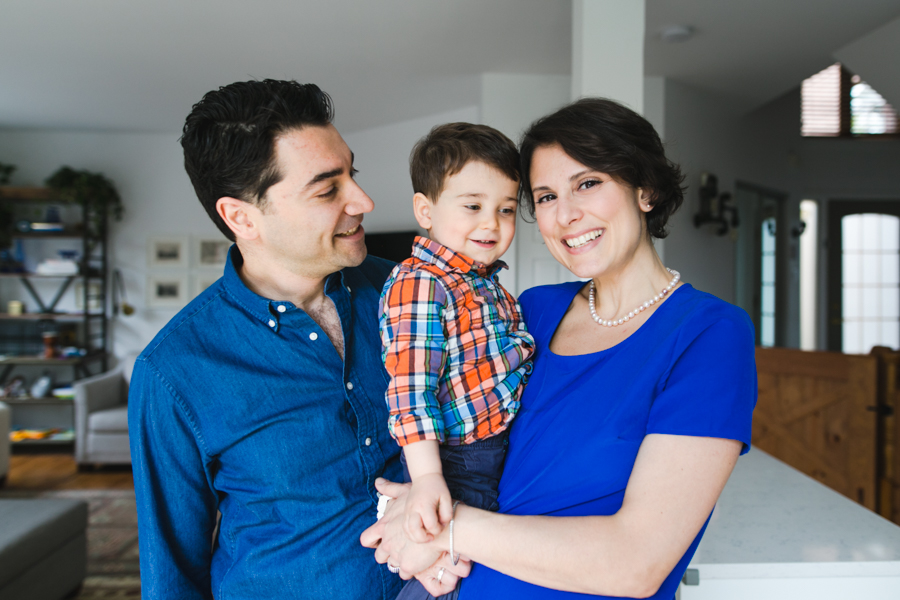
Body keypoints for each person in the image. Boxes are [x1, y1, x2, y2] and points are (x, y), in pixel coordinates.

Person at [361, 97, 757, 600]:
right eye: (545, 197)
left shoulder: (710, 334)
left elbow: (634, 564)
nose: (566, 215)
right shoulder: (532, 311)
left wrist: (436, 529)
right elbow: (438, 412)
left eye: (588, 184)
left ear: (646, 190)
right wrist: (418, 514)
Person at [128, 79, 467, 600]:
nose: (363, 200)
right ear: (241, 217)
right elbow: (172, 573)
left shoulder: (418, 293)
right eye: (327, 189)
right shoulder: (174, 371)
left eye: (351, 174)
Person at [379, 123, 535, 598]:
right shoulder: (423, 283)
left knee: (457, 567)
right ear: (425, 210)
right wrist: (427, 478)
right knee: (442, 577)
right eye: (472, 206)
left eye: (506, 209)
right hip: (456, 463)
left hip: (485, 455)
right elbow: (411, 388)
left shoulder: (482, 282)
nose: (491, 223)